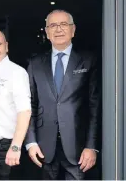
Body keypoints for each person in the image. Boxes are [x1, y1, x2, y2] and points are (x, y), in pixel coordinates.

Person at [26, 9, 99, 180]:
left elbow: (95, 106)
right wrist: (31, 142)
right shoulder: (35, 63)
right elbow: (30, 105)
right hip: (44, 149)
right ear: (47, 32)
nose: (58, 29)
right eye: (53, 25)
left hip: (79, 148)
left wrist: (92, 146)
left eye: (63, 24)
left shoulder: (88, 60)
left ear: (73, 30)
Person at [0, 28, 32, 179]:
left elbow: (24, 111)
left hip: (7, 147)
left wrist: (15, 147)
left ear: (6, 46)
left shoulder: (16, 73)